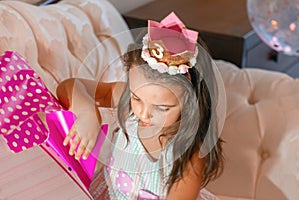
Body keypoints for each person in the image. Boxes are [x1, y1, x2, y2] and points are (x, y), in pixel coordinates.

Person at [57, 12, 226, 200]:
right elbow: (70, 86)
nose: (143, 114)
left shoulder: (190, 156)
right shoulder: (126, 100)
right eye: (136, 98)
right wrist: (86, 112)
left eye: (161, 108)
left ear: (190, 101)